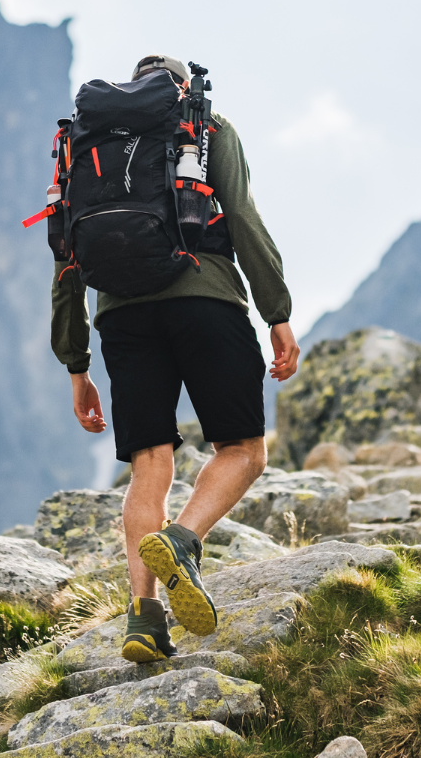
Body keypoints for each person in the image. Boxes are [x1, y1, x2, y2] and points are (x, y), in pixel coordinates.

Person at [50, 53, 299, 662]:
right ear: (181, 89)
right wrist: (277, 312)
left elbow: (65, 252)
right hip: (204, 299)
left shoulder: (86, 144)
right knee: (242, 450)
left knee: (150, 465)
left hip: (121, 314)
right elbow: (241, 216)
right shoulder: (205, 126)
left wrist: (77, 365)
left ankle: (144, 618)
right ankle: (183, 541)